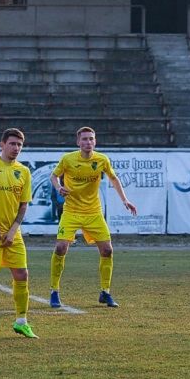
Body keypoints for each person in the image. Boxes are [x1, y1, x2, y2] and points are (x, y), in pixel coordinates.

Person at [49, 127, 137, 308]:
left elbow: (114, 179)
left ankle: (105, 292)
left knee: (107, 251)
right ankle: (54, 291)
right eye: (84, 139)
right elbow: (53, 176)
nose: (88, 142)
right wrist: (59, 188)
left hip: (93, 212)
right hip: (72, 211)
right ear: (78, 142)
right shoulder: (68, 159)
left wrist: (125, 200)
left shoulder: (102, 159)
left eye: (91, 139)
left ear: (95, 142)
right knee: (60, 248)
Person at [0, 129, 36, 339]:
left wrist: (12, 230)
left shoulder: (24, 171)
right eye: (12, 144)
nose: (16, 148)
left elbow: (23, 206)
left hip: (13, 234)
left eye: (20, 144)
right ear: (2, 144)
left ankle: (21, 321)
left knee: (22, 275)